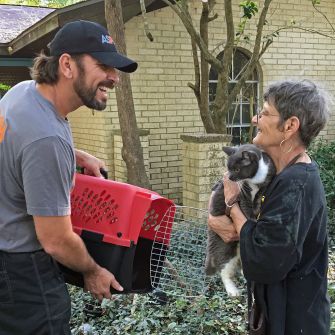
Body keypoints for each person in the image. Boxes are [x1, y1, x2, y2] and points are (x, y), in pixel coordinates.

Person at [0, 20, 138, 334]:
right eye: (103, 66)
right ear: (67, 65)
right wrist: (93, 271)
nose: (113, 78)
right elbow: (56, 240)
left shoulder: (24, 94)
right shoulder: (47, 139)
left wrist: (76, 155)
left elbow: (15, 143)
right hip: (24, 275)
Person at [208, 79, 331, 335]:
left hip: (294, 322)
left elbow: (264, 261)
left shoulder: (295, 186)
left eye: (264, 113)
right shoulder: (280, 177)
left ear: (289, 126)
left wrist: (232, 205)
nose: (255, 118)